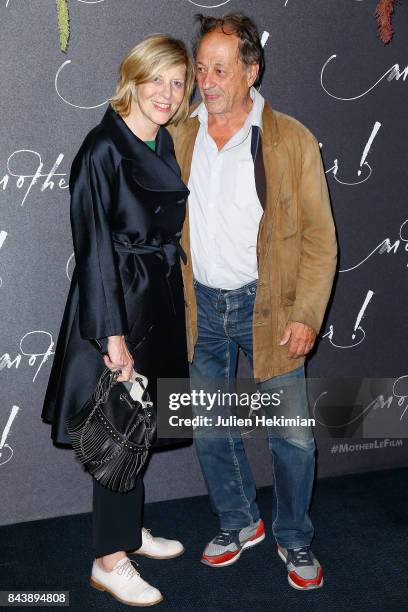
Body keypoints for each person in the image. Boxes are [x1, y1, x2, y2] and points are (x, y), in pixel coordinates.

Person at [170, 13, 337, 590]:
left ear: (251, 70)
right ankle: (240, 521)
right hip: (201, 309)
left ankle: (294, 539)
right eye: (200, 67)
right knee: (211, 428)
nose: (206, 79)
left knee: (290, 434)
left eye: (220, 68)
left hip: (268, 308)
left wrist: (306, 313)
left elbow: (319, 237)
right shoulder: (178, 135)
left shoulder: (291, 139)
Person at [42, 34, 195, 606]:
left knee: (139, 427)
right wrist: (112, 336)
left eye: (179, 83)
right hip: (115, 309)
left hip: (154, 300)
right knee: (117, 424)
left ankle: (127, 534)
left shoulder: (161, 141)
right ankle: (108, 560)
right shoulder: (102, 148)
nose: (167, 93)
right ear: (133, 77)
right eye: (158, 78)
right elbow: (94, 250)